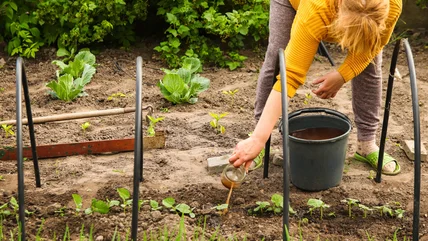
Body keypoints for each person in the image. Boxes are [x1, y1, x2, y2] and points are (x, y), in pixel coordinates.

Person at [229, 0, 402, 175]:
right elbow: (290, 75)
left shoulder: (393, 4)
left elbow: (371, 48)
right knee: (277, 57)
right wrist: (259, 138)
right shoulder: (316, 6)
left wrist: (343, 75)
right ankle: (258, 140)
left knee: (372, 63)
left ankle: (366, 143)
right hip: (293, 3)